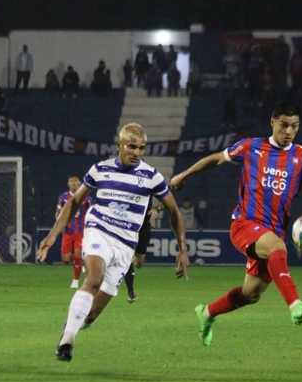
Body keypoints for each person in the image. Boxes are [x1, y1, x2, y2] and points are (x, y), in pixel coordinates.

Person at [170, 102, 302, 346]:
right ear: (273, 122)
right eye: (284, 125)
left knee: (250, 295)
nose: (289, 131)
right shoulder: (251, 146)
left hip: (271, 232)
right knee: (279, 247)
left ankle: (206, 313)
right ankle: (296, 305)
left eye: (294, 126)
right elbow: (216, 159)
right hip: (245, 224)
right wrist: (184, 175)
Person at [37, 123, 190, 362]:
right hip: (99, 230)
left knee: (91, 315)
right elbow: (76, 201)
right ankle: (67, 342)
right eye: (131, 146)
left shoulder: (151, 177)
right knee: (94, 278)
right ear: (119, 145)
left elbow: (174, 212)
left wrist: (183, 249)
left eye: (141, 148)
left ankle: (71, 327)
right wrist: (54, 233)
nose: (136, 152)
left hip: (125, 245)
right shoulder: (100, 170)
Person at [55, 174, 93, 289]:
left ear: (79, 183)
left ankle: (75, 281)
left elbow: (93, 213)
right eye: (71, 181)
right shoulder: (63, 198)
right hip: (68, 231)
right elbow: (58, 212)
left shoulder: (87, 198)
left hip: (81, 232)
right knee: (65, 259)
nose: (73, 183)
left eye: (75, 181)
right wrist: (59, 225)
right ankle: (82, 261)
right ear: (68, 184)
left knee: (77, 255)